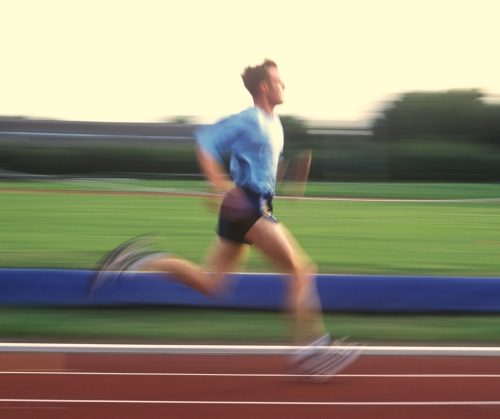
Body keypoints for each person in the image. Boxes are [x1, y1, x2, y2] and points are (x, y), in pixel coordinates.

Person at [89, 59, 361, 380]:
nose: (284, 85)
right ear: (264, 87)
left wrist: (289, 176)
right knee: (302, 270)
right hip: (246, 206)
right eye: (278, 80)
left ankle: (139, 260)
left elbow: (264, 167)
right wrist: (218, 185)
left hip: (254, 206)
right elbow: (206, 141)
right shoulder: (249, 120)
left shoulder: (274, 124)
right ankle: (312, 349)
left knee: (212, 283)